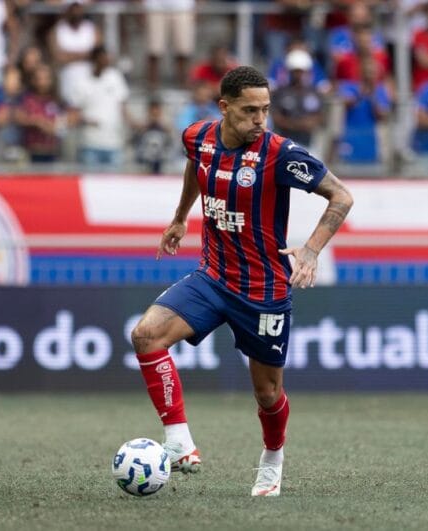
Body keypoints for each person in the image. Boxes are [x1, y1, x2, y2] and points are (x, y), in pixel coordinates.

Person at [129, 66, 354, 497]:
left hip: (263, 292)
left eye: (265, 110)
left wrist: (311, 250)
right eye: (251, 110)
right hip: (212, 277)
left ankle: (272, 459)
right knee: (146, 336)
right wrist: (180, 217)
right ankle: (178, 442)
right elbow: (196, 166)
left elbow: (341, 195)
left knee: (267, 394)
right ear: (224, 107)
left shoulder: (280, 153)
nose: (260, 119)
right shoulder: (197, 136)